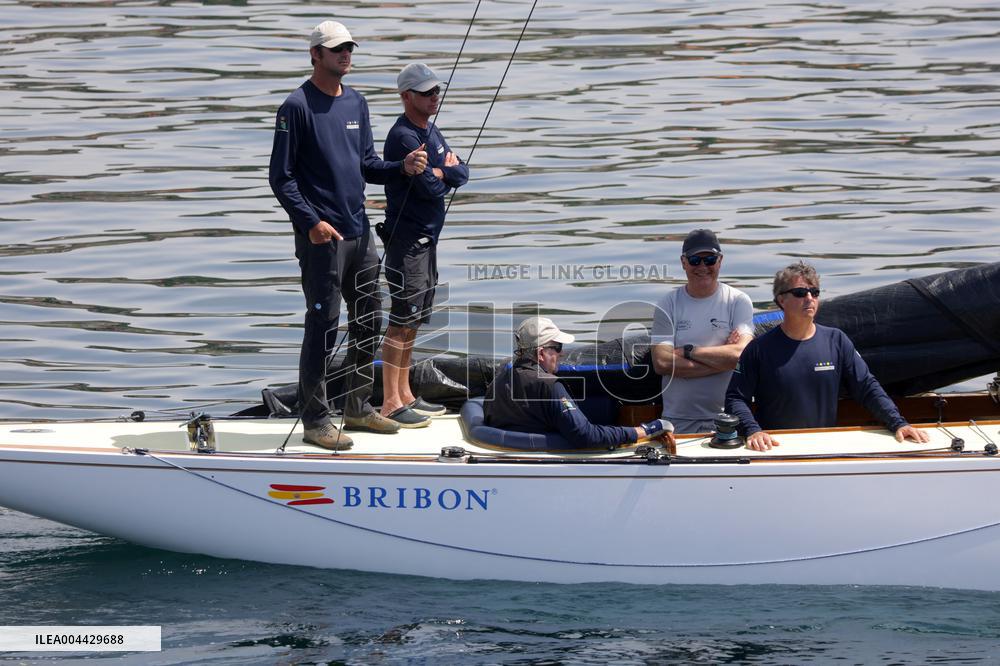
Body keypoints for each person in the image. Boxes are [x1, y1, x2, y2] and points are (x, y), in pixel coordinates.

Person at [268, 20, 428, 450]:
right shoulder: (296, 107)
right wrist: (310, 222)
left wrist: (401, 167)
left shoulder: (356, 103)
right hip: (323, 239)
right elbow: (281, 179)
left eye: (349, 48)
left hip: (360, 234)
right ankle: (317, 420)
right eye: (336, 48)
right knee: (323, 324)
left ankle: (356, 406)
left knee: (369, 319)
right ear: (315, 55)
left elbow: (368, 165)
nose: (345, 54)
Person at [725, 261, 931, 451]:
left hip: (824, 444)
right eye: (800, 292)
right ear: (781, 300)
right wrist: (753, 430)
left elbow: (867, 387)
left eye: (814, 292)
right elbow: (735, 398)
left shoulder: (837, 340)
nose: (809, 298)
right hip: (776, 447)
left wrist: (898, 423)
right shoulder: (759, 349)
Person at [378, 63, 469, 428]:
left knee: (414, 321)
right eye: (427, 92)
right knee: (401, 321)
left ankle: (406, 394)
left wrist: (442, 170)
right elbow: (431, 188)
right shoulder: (403, 137)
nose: (435, 97)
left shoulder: (430, 130)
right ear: (406, 97)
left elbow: (462, 173)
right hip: (407, 244)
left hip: (427, 243)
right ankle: (389, 401)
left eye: (436, 91)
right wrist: (442, 172)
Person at [484, 317, 676, 449]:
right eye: (557, 347)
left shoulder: (501, 377)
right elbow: (586, 436)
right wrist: (644, 430)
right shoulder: (551, 386)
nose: (563, 353)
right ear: (541, 353)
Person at [651, 229, 754, 434]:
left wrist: (688, 351)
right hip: (678, 419)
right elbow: (662, 362)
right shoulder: (668, 304)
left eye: (710, 260)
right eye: (695, 260)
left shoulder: (738, 301)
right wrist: (724, 360)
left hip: (730, 416)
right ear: (683, 262)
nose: (702, 267)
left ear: (720, 261)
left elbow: (742, 356)